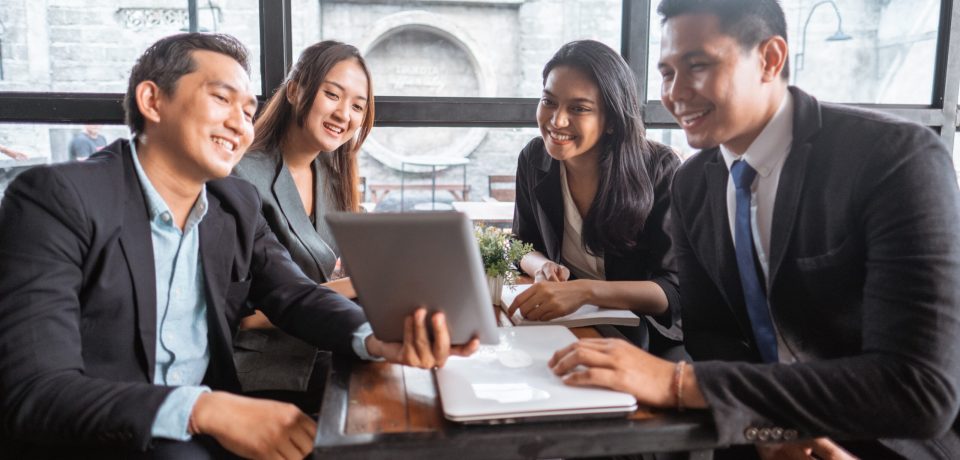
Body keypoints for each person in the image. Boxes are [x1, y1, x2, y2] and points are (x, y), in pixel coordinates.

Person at [0, 33, 477, 459]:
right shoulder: (56, 198)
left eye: (248, 111)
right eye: (221, 99)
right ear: (152, 100)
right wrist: (207, 409)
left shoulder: (233, 202)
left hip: (211, 426)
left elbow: (295, 294)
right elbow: (35, 391)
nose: (240, 124)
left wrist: (376, 338)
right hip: (111, 436)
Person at [548, 1, 960, 458]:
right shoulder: (692, 183)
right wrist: (768, 429)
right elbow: (711, 335)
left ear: (770, 59)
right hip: (754, 431)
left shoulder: (895, 158)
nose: (675, 93)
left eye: (698, 65)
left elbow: (920, 388)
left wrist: (678, 382)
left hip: (892, 440)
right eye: (666, 73)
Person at [508, 40, 683, 359]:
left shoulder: (660, 168)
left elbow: (673, 290)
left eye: (579, 108)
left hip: (649, 335)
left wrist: (585, 291)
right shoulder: (534, 159)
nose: (557, 120)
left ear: (612, 120)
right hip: (573, 323)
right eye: (549, 101)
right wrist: (542, 265)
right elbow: (521, 243)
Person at [230, 40, 374, 404]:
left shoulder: (331, 177)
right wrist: (358, 285)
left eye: (358, 106)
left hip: (322, 344)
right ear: (295, 91)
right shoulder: (242, 176)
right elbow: (248, 317)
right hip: (267, 364)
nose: (344, 114)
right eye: (332, 95)